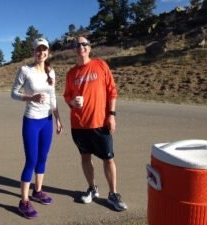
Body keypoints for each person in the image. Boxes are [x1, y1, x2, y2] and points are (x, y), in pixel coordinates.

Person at [63, 36, 127, 212]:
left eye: (84, 44)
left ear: (89, 48)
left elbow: (112, 91)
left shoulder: (100, 65)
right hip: (78, 124)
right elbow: (67, 96)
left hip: (100, 122)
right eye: (77, 45)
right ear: (74, 49)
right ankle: (92, 188)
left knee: (108, 158)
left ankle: (113, 194)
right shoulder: (71, 73)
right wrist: (71, 103)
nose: (80, 47)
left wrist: (111, 115)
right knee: (85, 157)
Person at [11, 37, 63, 219]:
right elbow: (14, 94)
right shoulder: (25, 70)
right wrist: (30, 98)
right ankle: (23, 201)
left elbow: (53, 97)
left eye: (44, 49)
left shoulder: (51, 72)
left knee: (43, 157)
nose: (41, 52)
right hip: (32, 120)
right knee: (31, 160)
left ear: (48, 52)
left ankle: (37, 191)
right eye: (38, 49)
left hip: (47, 120)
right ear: (33, 52)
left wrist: (57, 119)